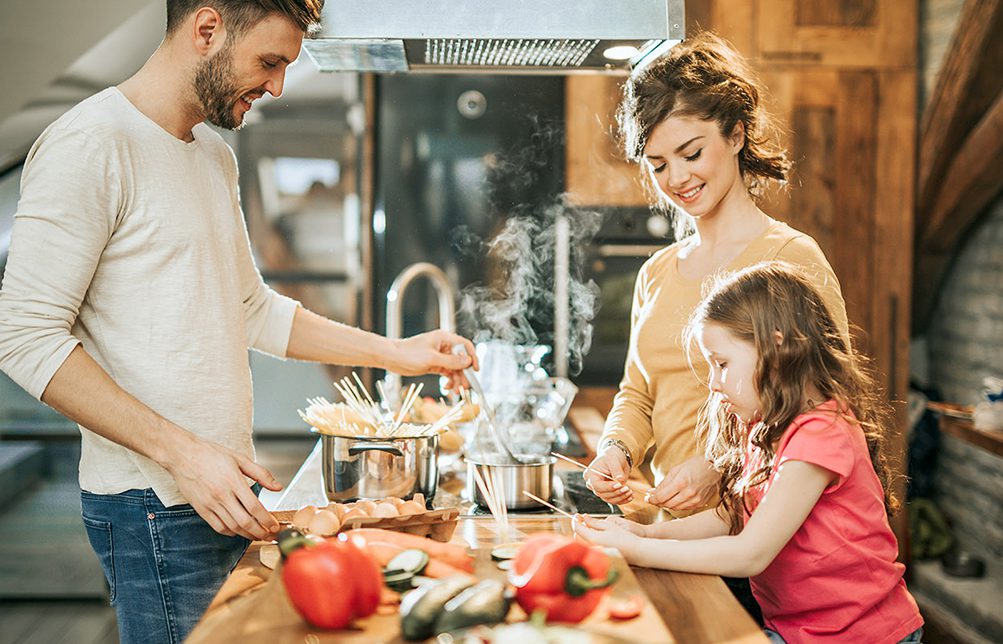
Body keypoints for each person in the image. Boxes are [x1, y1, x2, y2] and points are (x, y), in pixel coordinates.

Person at [0, 1, 476, 642]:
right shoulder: (90, 143)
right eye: (270, 61)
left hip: (216, 491)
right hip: (153, 502)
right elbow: (22, 334)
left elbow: (250, 309)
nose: (277, 85)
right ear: (206, 30)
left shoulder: (211, 157)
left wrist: (400, 353)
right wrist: (185, 456)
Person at [575, 262, 923, 644]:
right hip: (797, 630)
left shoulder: (822, 434)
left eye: (721, 364)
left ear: (775, 349)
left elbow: (750, 554)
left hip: (864, 635)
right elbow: (733, 516)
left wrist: (637, 550)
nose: (713, 382)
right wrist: (647, 532)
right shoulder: (764, 423)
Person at [584, 32, 849, 515]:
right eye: (658, 164)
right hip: (671, 531)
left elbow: (829, 410)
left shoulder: (791, 257)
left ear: (735, 134)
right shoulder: (656, 272)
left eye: (691, 153)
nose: (677, 179)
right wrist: (615, 450)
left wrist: (720, 467)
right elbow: (638, 393)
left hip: (763, 546)